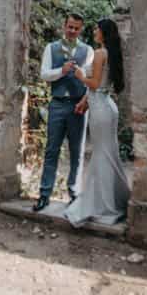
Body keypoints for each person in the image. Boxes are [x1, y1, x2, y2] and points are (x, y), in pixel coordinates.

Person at [63, 18, 130, 228]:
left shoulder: (100, 53)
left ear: (103, 32)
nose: (94, 31)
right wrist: (84, 101)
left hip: (101, 110)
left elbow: (93, 83)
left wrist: (81, 75)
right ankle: (113, 200)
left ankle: (104, 205)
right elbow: (99, 87)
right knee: (108, 153)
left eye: (96, 29)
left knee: (102, 154)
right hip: (104, 105)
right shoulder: (109, 53)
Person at [32, 13, 94, 212]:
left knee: (77, 151)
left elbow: (91, 80)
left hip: (78, 105)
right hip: (57, 104)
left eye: (76, 28)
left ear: (81, 29)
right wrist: (61, 70)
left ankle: (74, 193)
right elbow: (44, 74)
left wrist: (80, 76)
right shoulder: (51, 48)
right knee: (51, 150)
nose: (72, 31)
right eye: (70, 27)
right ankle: (44, 195)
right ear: (64, 26)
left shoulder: (88, 50)